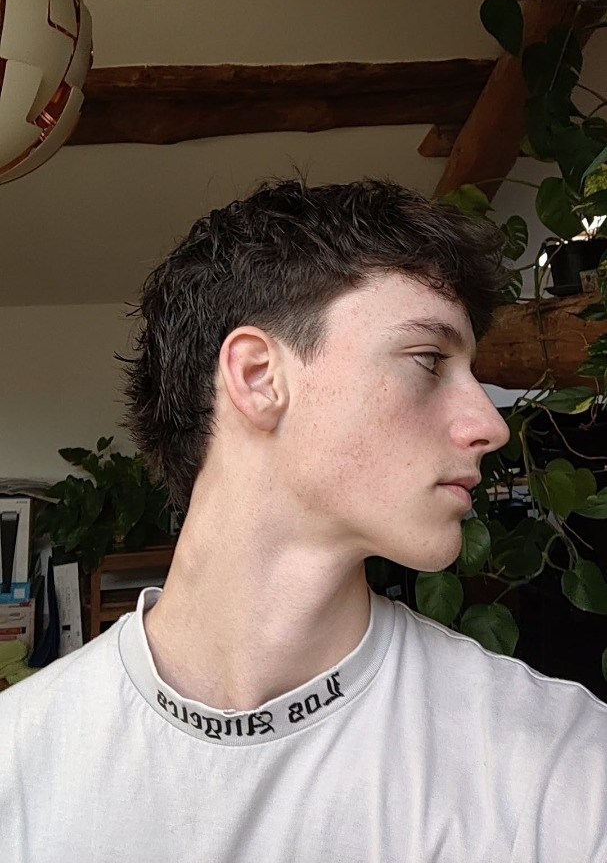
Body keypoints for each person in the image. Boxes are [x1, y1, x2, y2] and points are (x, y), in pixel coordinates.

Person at [1, 177, 606, 863]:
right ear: (258, 377)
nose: (490, 426)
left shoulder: (561, 771)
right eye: (429, 360)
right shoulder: (18, 769)